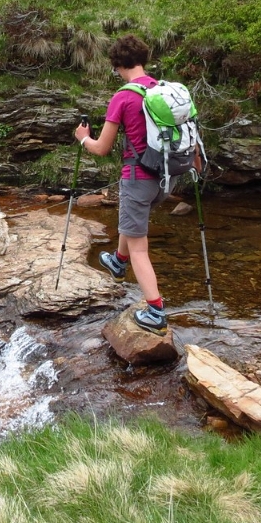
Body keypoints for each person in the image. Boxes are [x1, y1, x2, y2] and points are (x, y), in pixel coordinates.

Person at [73, 34, 169, 333]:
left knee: (140, 247)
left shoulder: (123, 97)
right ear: (143, 59)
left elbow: (101, 148)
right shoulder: (164, 90)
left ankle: (155, 311)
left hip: (138, 178)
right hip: (166, 177)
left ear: (117, 65)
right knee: (132, 224)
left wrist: (83, 138)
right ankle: (117, 260)